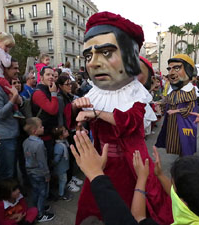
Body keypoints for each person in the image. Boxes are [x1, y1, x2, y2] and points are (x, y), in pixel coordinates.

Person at [74, 11, 172, 225]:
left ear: (130, 56)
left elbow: (131, 121)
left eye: (106, 53)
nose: (93, 63)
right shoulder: (94, 94)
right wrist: (79, 115)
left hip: (132, 166)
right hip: (101, 164)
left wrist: (93, 113)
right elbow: (83, 126)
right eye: (88, 56)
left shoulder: (134, 92)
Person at [71, 131, 158, 225]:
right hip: (111, 164)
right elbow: (138, 218)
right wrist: (142, 179)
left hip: (119, 165)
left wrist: (95, 174)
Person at [155, 54, 198, 156]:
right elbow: (168, 103)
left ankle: (185, 160)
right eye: (169, 69)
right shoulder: (173, 90)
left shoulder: (190, 91)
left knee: (185, 143)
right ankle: (181, 156)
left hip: (184, 124)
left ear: (188, 70)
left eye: (177, 68)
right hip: (173, 124)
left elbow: (192, 110)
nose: (171, 73)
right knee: (176, 142)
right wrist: (160, 104)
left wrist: (176, 111)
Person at [23, 117, 54, 222]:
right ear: (34, 131)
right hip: (40, 173)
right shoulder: (39, 144)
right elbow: (42, 162)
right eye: (41, 126)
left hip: (30, 172)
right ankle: (40, 214)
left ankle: (35, 207)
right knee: (43, 193)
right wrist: (47, 175)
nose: (43, 127)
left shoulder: (25, 142)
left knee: (35, 191)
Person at [31, 66, 58, 166]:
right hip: (43, 137)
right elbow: (52, 110)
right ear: (41, 78)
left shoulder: (48, 89)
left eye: (52, 75)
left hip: (49, 134)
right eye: (48, 75)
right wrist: (54, 94)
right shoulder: (39, 93)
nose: (51, 77)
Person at [52, 126, 72, 201]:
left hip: (63, 167)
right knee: (63, 180)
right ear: (61, 136)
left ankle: (62, 190)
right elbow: (56, 159)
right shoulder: (60, 147)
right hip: (61, 168)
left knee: (62, 180)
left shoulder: (64, 143)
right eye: (65, 131)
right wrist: (53, 164)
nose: (67, 131)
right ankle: (61, 194)